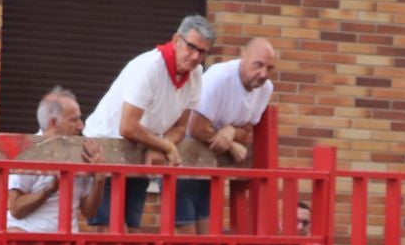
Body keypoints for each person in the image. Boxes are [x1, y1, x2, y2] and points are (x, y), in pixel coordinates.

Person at [82, 14, 212, 231]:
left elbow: (181, 126)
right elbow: (127, 126)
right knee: (108, 231)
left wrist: (161, 144)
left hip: (139, 148)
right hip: (106, 147)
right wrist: (164, 145)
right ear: (176, 40)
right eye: (191, 47)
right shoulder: (149, 66)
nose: (195, 56)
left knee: (133, 230)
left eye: (202, 52)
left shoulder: (197, 74)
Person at [184, 37, 276, 233]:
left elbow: (248, 131)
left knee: (208, 237)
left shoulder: (265, 88)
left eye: (269, 68)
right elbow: (196, 127)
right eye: (258, 65)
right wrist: (231, 143)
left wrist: (232, 131)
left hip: (211, 167)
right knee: (186, 237)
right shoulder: (220, 77)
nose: (263, 74)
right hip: (184, 159)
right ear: (243, 57)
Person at [7, 86, 103, 233]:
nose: (81, 126)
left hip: (65, 242)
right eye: (74, 120)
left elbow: (88, 212)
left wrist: (99, 178)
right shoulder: (30, 151)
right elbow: (15, 209)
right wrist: (49, 190)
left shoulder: (82, 151)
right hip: (27, 239)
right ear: (53, 123)